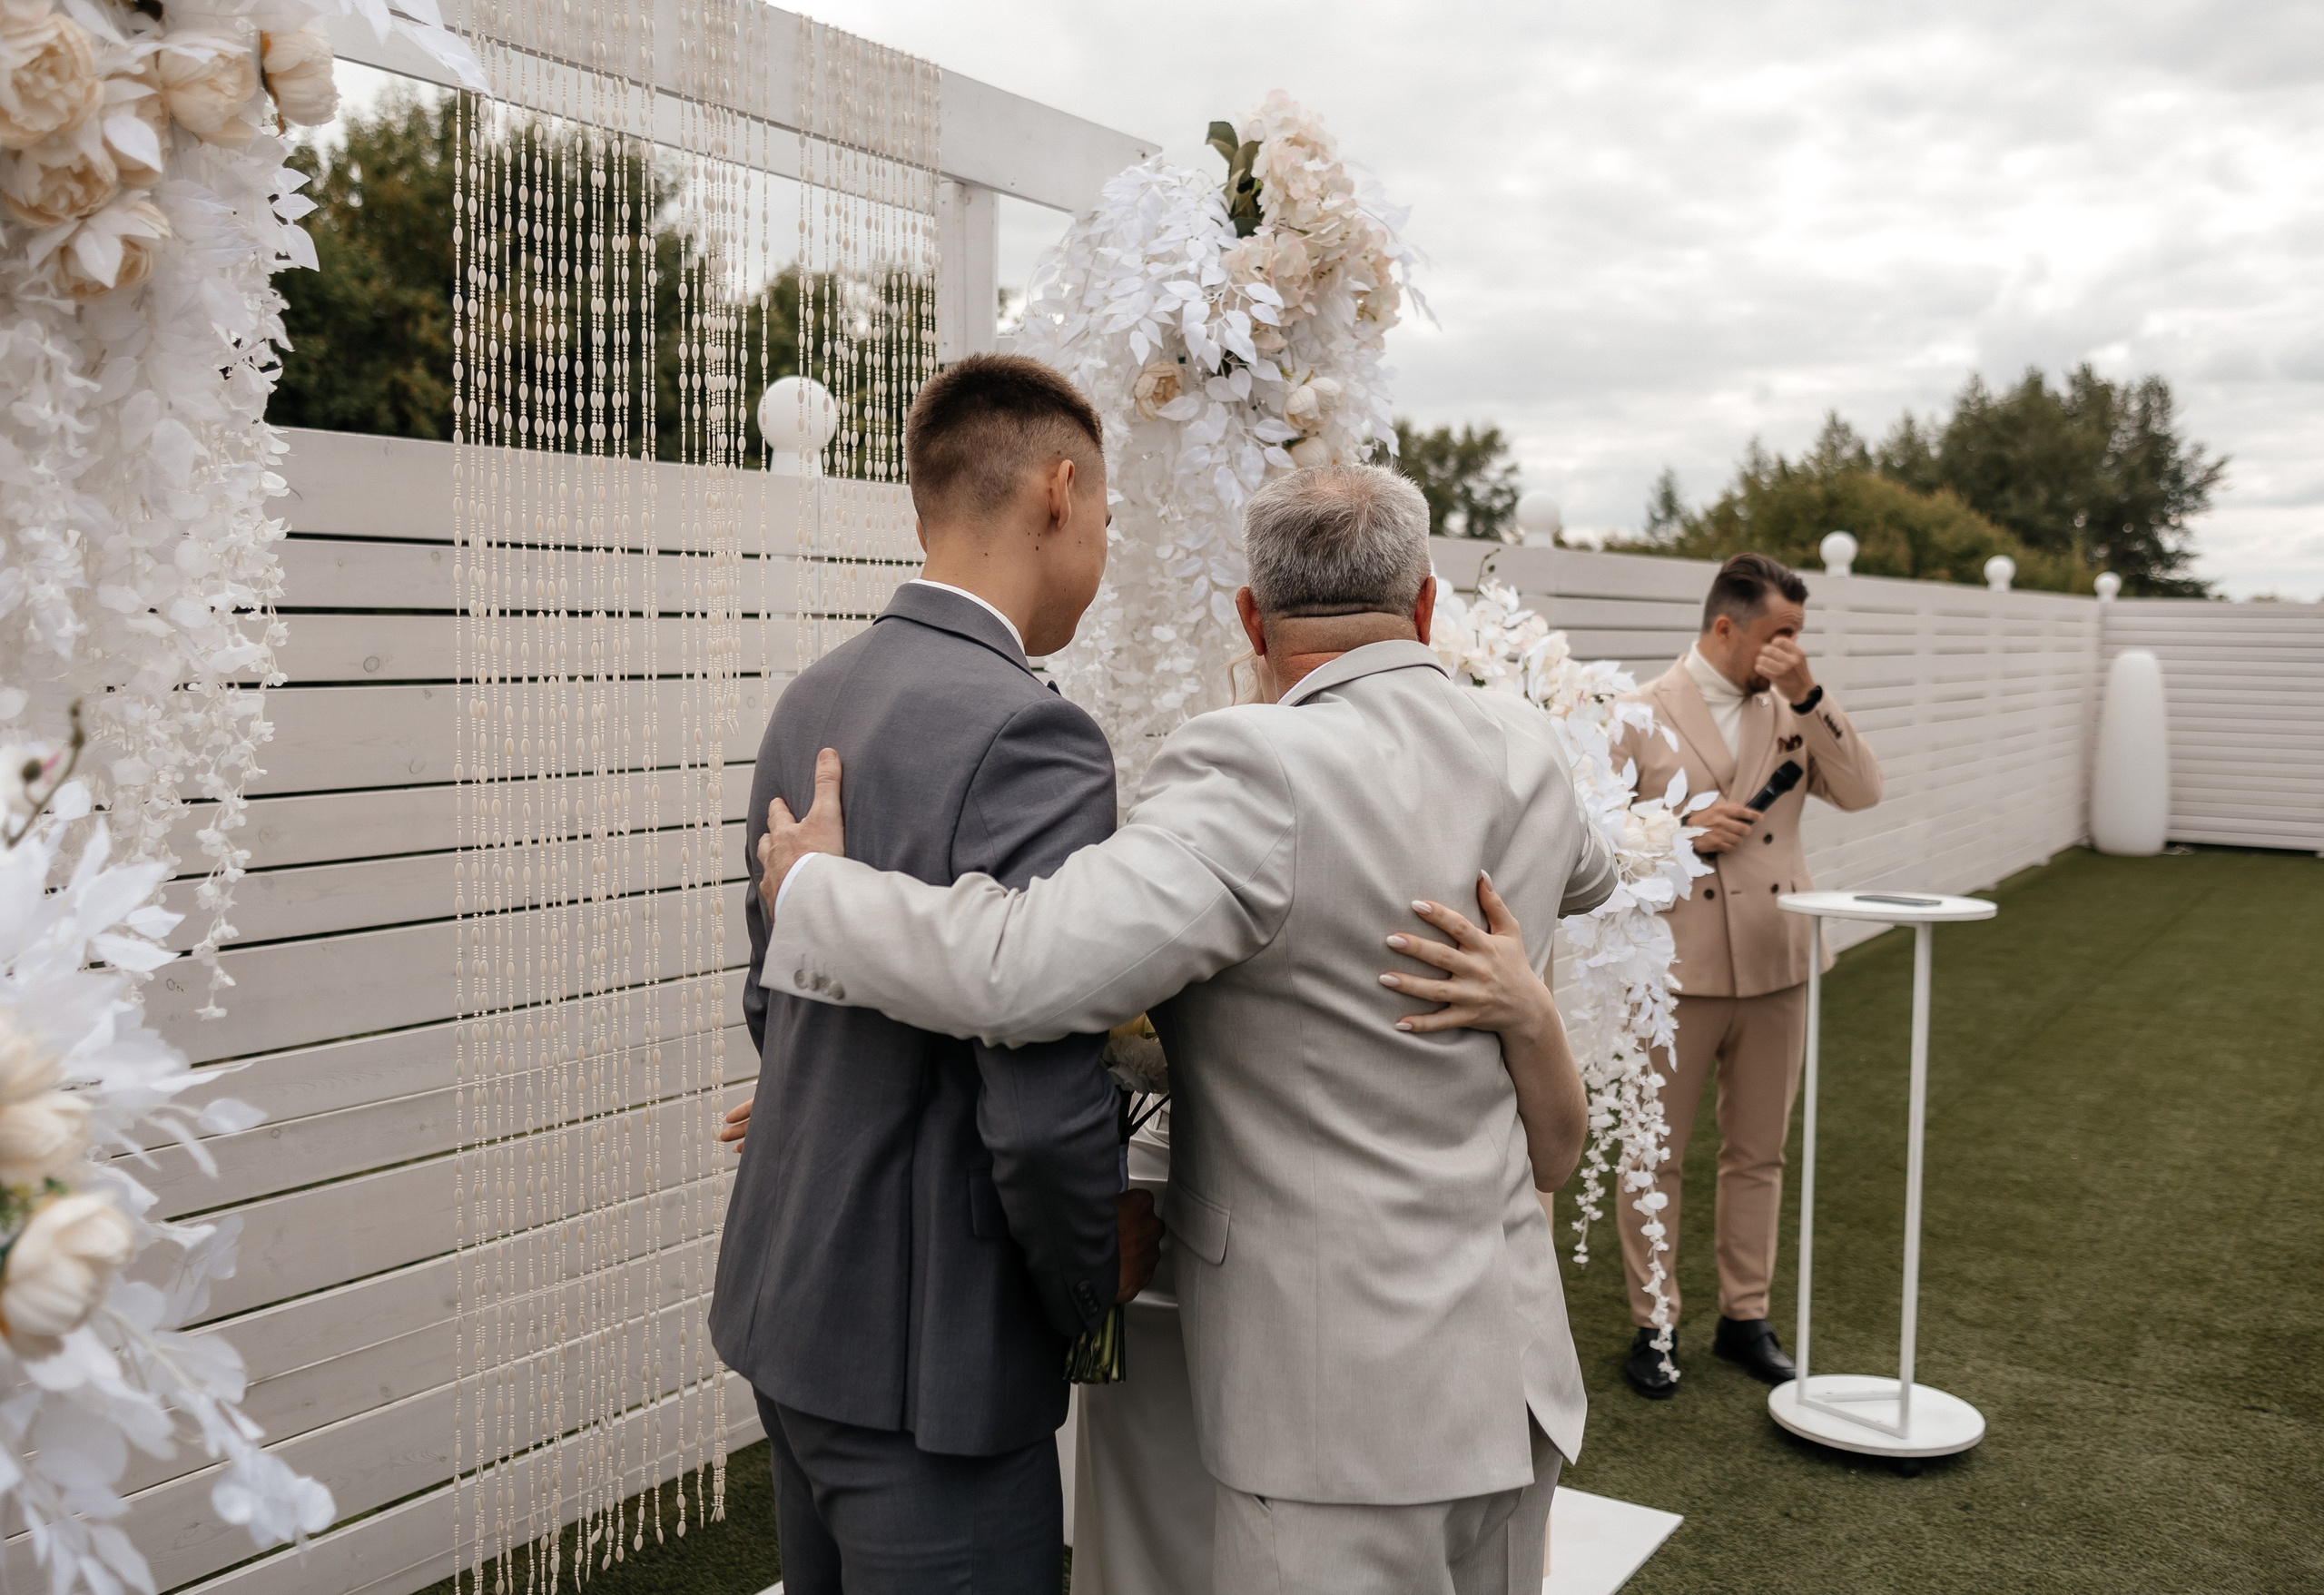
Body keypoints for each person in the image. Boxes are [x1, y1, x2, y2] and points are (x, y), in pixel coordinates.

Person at [754, 463, 1618, 1595]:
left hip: (1336, 1410)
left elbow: (1024, 967)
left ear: (1254, 619)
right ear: (1422, 606)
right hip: (1515, 1373)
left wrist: (820, 892)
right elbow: (1592, 877)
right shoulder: (1523, 742)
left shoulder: (1256, 766)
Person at [706, 353, 1164, 1595]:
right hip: (935, 1358)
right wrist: (1088, 1280)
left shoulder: (815, 695)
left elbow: (772, 993)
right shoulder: (1035, 731)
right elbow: (1039, 1100)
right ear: (1059, 492)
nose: (1106, 545)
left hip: (789, 1302)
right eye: (1111, 517)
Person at [1609, 551, 1884, 1400]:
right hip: (1674, 966)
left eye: (1799, 635)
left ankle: (1746, 1317)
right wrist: (1678, 835)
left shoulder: (1796, 706)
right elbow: (1596, 834)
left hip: (1776, 956)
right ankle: (1655, 1326)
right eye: (1779, 634)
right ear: (1725, 625)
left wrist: (1808, 691)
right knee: (1654, 1154)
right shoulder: (1637, 711)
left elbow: (1864, 789)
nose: (1789, 650)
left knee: (1758, 1152)